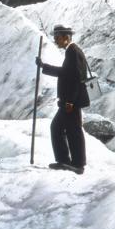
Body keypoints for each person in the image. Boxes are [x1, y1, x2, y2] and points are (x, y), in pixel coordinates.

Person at [36, 24, 90, 173]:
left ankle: (77, 164)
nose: (56, 40)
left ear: (67, 37)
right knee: (64, 129)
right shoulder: (72, 51)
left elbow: (76, 78)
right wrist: (44, 66)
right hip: (70, 101)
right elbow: (65, 73)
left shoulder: (73, 52)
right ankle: (66, 161)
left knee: (70, 130)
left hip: (71, 101)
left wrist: (70, 101)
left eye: (58, 37)